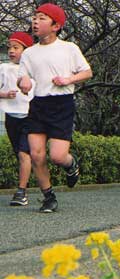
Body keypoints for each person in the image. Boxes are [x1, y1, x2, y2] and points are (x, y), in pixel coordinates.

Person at [17, 3, 93, 213]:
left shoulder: (69, 48)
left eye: (42, 18)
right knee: (36, 155)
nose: (35, 21)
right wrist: (23, 82)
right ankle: (48, 197)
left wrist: (69, 78)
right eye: (35, 17)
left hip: (62, 104)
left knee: (57, 156)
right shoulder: (29, 53)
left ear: (56, 25)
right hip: (39, 104)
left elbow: (87, 72)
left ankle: (71, 164)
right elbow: (23, 77)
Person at [0, 32, 34, 206]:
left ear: (26, 51)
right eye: (9, 48)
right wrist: (5, 94)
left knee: (23, 154)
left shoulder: (33, 69)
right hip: (11, 117)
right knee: (20, 154)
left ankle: (21, 192)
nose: (11, 51)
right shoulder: (4, 68)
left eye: (16, 47)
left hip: (31, 117)